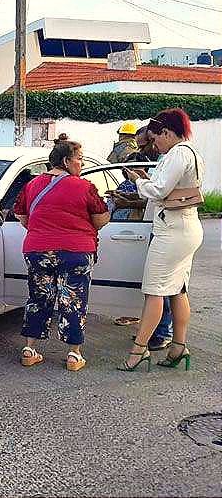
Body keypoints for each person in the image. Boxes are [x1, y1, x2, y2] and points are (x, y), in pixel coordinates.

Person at [14, 134, 111, 371]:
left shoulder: (31, 185)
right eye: (79, 159)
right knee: (73, 301)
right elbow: (100, 219)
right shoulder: (85, 187)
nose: (82, 164)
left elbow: (21, 215)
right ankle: (73, 355)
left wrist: (42, 230)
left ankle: (29, 349)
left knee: (38, 298)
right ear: (67, 161)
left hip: (37, 250)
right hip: (75, 252)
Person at [118, 108, 205, 372]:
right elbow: (168, 187)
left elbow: (159, 190)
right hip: (186, 227)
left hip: (172, 231)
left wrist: (138, 182)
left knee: (154, 292)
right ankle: (178, 346)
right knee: (178, 290)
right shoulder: (192, 153)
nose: (154, 144)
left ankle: (139, 350)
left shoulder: (177, 153)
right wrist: (148, 181)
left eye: (156, 138)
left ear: (167, 133)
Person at [111, 126, 174, 350]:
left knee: (160, 288)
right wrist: (130, 195)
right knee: (158, 288)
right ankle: (154, 332)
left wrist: (132, 195)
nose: (147, 147)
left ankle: (162, 333)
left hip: (165, 232)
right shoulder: (161, 165)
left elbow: (156, 197)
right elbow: (151, 195)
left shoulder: (168, 164)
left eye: (147, 143)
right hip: (161, 230)